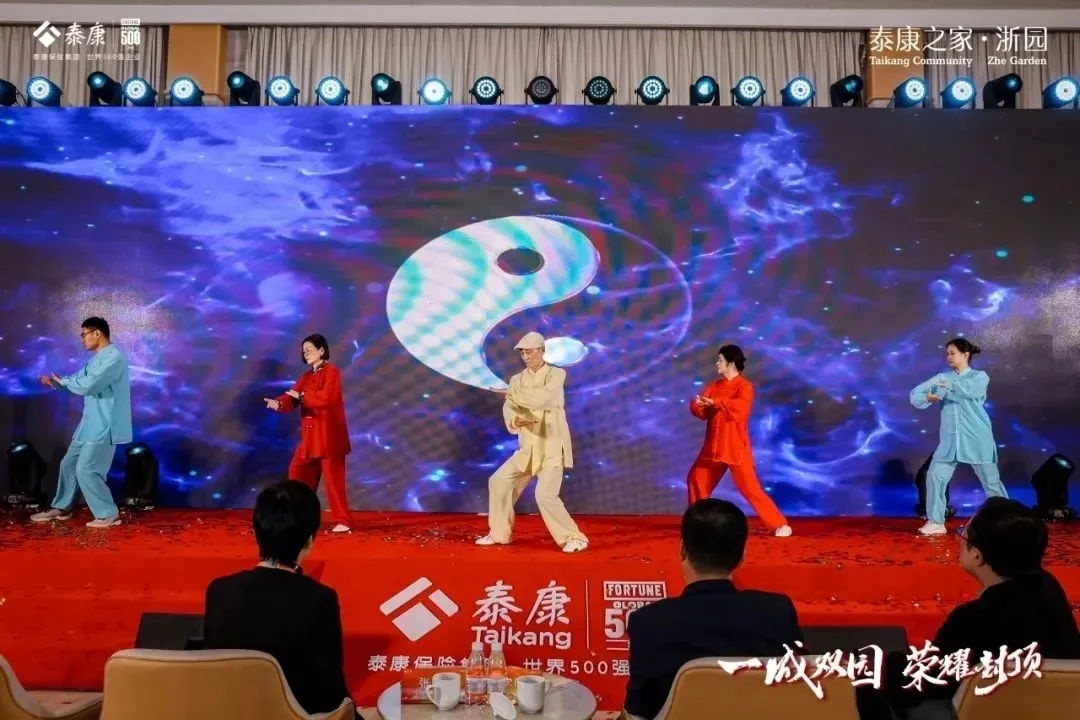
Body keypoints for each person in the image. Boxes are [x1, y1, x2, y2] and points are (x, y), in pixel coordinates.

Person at [856, 497, 1080, 719]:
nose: (958, 538)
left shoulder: (976, 617)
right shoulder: (1047, 586)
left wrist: (880, 664)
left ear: (977, 554)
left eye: (963, 532)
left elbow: (921, 680)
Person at [622, 499, 803, 720]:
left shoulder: (648, 622)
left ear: (682, 550)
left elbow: (638, 710)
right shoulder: (777, 612)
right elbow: (798, 688)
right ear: (742, 555)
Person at [203, 481, 358, 718]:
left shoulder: (219, 590)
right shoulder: (319, 600)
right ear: (309, 540)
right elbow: (331, 695)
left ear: (256, 532)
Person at [476, 331, 589, 553]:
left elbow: (542, 400)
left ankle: (574, 538)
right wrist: (515, 419)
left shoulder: (557, 374)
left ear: (542, 351)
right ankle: (499, 534)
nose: (526, 357)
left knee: (545, 495)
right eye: (523, 353)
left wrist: (510, 393)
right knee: (499, 482)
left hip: (551, 446)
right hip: (528, 447)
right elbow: (510, 408)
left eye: (530, 352)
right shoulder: (517, 380)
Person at [31, 316, 131, 528]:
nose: (82, 339)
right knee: (68, 464)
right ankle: (63, 507)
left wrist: (64, 381)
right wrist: (56, 383)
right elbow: (77, 379)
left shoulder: (115, 357)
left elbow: (89, 385)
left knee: (87, 469)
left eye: (84, 334)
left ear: (97, 333)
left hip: (106, 424)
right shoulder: (95, 359)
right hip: (89, 424)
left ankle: (108, 514)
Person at [687, 345, 791, 537]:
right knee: (696, 479)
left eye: (720, 360)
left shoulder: (744, 387)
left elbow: (740, 410)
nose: (717, 364)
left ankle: (778, 524)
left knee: (750, 488)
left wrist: (717, 403)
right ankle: (698, 523)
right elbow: (702, 412)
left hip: (735, 447)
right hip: (713, 447)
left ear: (731, 363)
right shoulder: (714, 386)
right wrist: (697, 404)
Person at [908, 337, 1008, 536]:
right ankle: (936, 522)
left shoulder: (979, 377)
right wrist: (927, 396)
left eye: (952, 353)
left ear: (965, 355)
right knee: (934, 476)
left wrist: (944, 386)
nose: (948, 357)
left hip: (977, 437)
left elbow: (969, 392)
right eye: (947, 354)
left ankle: (1006, 521)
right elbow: (915, 396)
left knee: (992, 483)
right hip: (950, 441)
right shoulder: (942, 378)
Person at [264, 333, 353, 533]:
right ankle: (301, 518)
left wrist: (302, 396)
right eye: (304, 351)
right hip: (310, 438)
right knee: (297, 473)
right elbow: (292, 398)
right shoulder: (305, 377)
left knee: (333, 482)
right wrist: (278, 403)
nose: (306, 354)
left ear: (321, 350)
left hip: (329, 436)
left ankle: (344, 520)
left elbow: (327, 398)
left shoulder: (332, 372)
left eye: (310, 350)